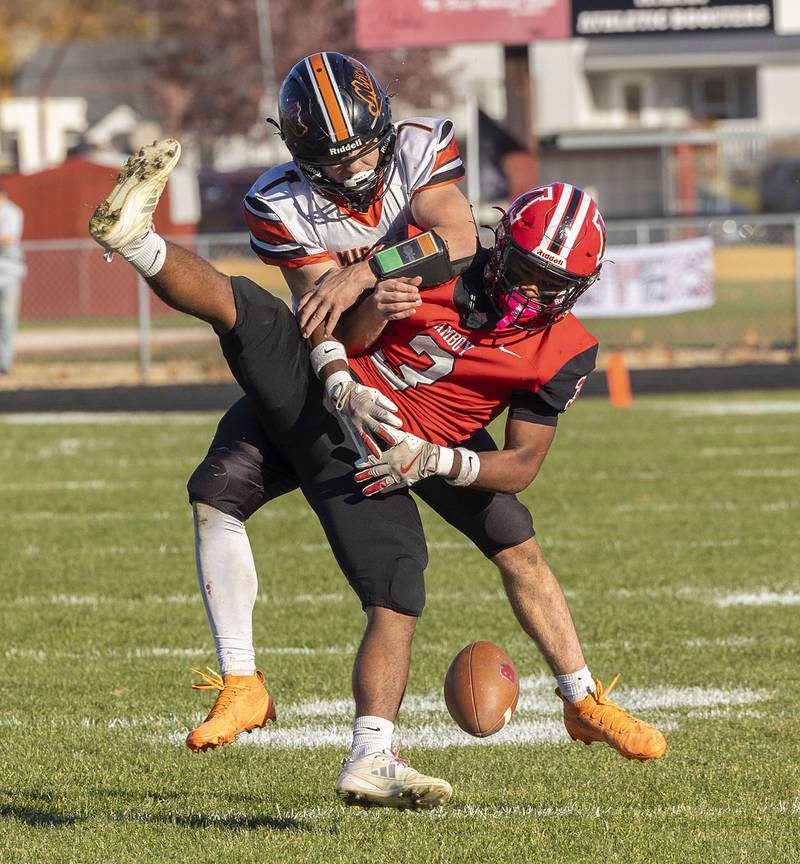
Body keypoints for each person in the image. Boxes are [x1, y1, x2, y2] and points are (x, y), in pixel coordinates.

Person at [89, 135, 667, 808]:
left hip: (427, 441)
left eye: (555, 285)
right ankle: (284, 704)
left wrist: (434, 459)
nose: (534, 293)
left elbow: (520, 465)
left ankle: (581, 699)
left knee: (516, 544)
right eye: (525, 271)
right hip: (345, 406)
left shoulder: (564, 347)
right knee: (237, 443)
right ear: (498, 247)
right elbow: (338, 329)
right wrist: (365, 319)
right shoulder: (439, 260)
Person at [0, 185, 26, 374]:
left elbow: (9, 238)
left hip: (9, 273)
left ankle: (5, 363)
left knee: (6, 318)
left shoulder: (12, 212)